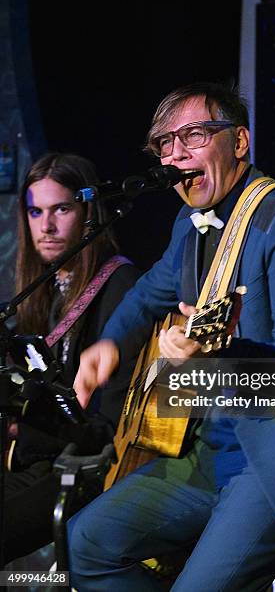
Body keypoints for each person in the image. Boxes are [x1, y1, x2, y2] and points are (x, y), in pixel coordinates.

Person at [68, 82, 275, 591]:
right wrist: (109, 343)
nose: (176, 154)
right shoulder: (189, 222)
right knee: (87, 544)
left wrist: (220, 350)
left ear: (239, 143)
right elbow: (152, 290)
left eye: (194, 135)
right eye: (165, 144)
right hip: (210, 452)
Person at [4, 152, 140, 564]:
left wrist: (24, 434)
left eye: (61, 209)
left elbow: (110, 427)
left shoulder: (119, 284)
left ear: (88, 211)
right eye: (35, 211)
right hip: (43, 458)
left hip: (89, 468)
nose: (45, 226)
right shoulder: (43, 291)